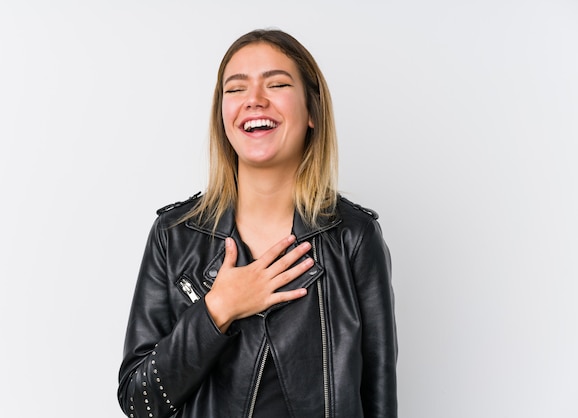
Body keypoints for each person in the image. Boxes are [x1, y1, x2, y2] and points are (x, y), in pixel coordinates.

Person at [117, 29, 397, 418]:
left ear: (312, 111)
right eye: (235, 89)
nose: (254, 100)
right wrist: (217, 310)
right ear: (223, 117)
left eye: (277, 83)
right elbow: (138, 401)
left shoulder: (353, 236)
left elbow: (378, 397)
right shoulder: (174, 235)